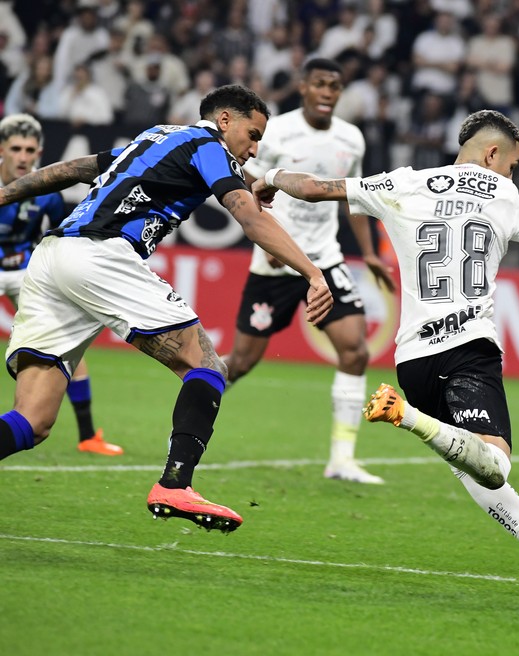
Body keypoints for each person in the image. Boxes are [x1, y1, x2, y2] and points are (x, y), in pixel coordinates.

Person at [252, 109, 519, 594]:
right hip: (469, 350)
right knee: (494, 465)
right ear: (493, 153)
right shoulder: (506, 197)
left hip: (413, 359)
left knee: (472, 464)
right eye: (512, 164)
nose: (511, 174)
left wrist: (268, 177)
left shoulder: (405, 182)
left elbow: (314, 188)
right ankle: (403, 415)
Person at [0, 85, 333, 534]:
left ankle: (175, 482)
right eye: (251, 136)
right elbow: (249, 219)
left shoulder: (155, 136)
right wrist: (313, 273)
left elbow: (72, 169)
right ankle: (176, 483)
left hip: (51, 258)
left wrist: (3, 195)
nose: (253, 149)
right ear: (225, 121)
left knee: (33, 420)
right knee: (209, 365)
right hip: (101, 256)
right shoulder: (207, 144)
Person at [224, 58, 396, 485]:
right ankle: (194, 399)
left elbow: (353, 197)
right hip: (274, 261)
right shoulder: (276, 130)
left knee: (355, 350)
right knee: (242, 362)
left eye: (334, 86)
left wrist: (370, 252)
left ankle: (342, 458)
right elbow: (247, 180)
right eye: (319, 84)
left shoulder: (350, 138)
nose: (327, 92)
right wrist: (271, 240)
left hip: (326, 257)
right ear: (303, 87)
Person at [0, 113, 122, 456]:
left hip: (24, 269)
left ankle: (87, 436)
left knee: (65, 342)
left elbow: (58, 238)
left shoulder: (47, 194)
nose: (23, 156)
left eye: (30, 150)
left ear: (39, 152)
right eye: (16, 149)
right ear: (2, 150)